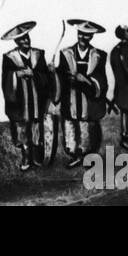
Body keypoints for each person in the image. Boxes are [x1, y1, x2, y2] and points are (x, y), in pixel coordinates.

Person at [51, 19, 108, 168]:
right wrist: (54, 71)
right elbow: (61, 75)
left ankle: (87, 156)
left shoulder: (99, 55)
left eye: (87, 35)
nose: (83, 38)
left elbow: (102, 78)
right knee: (70, 125)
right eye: (81, 34)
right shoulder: (66, 53)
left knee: (86, 127)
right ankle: (75, 155)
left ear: (92, 37)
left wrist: (87, 80)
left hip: (87, 98)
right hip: (70, 96)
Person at [1, 21, 49, 170]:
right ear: (16, 42)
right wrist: (16, 74)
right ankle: (26, 157)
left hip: (36, 99)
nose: (26, 41)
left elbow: (45, 76)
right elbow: (5, 79)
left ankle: (38, 158)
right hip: (19, 100)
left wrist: (34, 74)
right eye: (21, 39)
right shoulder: (9, 57)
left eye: (27, 38)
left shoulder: (38, 54)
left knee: (36, 127)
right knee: (21, 128)